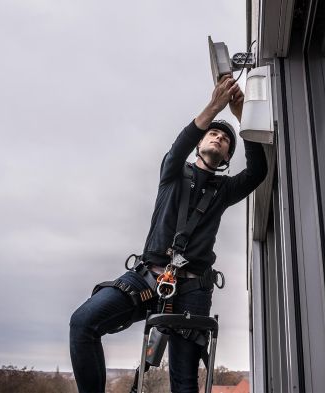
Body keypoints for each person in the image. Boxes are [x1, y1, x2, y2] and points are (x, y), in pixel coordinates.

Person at [69, 75, 268, 393]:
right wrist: (215, 106)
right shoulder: (173, 172)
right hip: (146, 278)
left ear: (228, 156)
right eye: (212, 134)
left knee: (184, 382)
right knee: (83, 322)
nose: (218, 138)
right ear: (200, 143)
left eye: (225, 139)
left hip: (192, 288)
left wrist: (241, 114)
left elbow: (259, 171)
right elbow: (178, 147)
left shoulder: (225, 190)